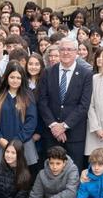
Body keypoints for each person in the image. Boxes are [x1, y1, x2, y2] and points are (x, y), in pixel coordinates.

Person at [38, 36, 93, 167]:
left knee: (74, 173)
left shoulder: (86, 74)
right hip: (51, 135)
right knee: (51, 173)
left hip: (74, 135)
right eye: (62, 49)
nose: (65, 52)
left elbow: (84, 105)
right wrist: (54, 125)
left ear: (76, 52)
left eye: (69, 49)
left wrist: (64, 126)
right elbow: (42, 101)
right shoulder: (48, 72)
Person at [0, 62, 39, 166]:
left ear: (22, 79)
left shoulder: (28, 97)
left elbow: (31, 122)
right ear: (6, 77)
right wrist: (0, 139)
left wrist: (17, 141)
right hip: (2, 144)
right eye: (12, 77)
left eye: (18, 78)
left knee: (22, 178)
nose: (15, 80)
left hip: (23, 145)